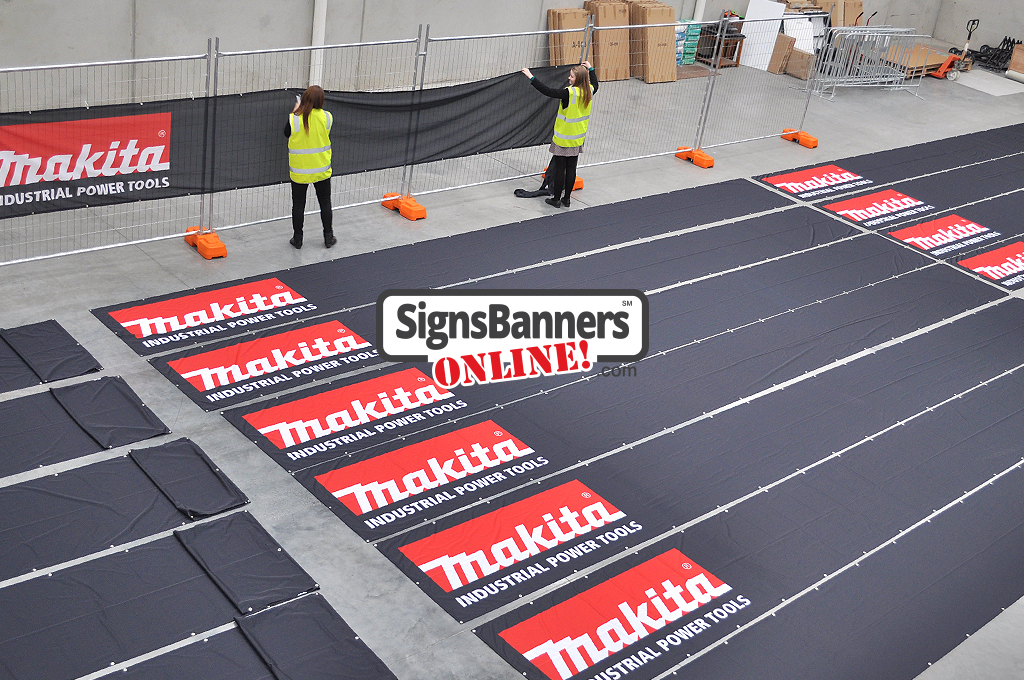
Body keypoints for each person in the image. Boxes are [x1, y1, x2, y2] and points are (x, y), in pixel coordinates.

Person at [520, 61, 598, 208]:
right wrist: (591, 69)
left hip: (563, 139)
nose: (569, 78)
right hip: (577, 139)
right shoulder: (589, 91)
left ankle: (556, 199)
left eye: (572, 77)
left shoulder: (569, 93)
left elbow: (548, 91)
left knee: (560, 169)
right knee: (571, 169)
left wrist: (531, 77)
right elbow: (595, 83)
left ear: (578, 79)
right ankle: (566, 199)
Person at [284, 85, 335, 249]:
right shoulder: (327, 117)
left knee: (298, 206)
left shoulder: (293, 119)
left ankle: (297, 239)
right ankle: (328, 237)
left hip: (300, 172)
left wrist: (295, 111)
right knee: (325, 203)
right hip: (322, 170)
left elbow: (286, 133)